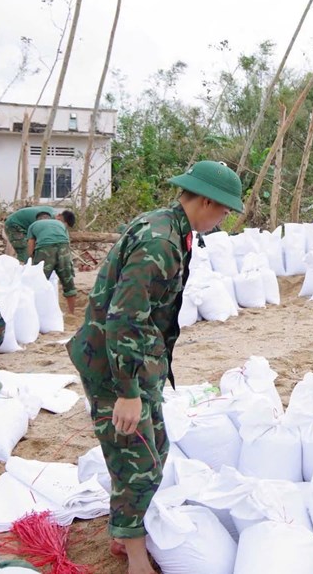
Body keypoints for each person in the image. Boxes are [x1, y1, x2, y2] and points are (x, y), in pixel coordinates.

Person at [68, 160, 243, 574]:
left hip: (131, 359)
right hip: (114, 365)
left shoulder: (171, 228)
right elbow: (124, 317)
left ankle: (123, 530)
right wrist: (128, 392)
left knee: (153, 447)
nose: (223, 219)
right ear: (204, 201)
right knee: (138, 458)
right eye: (223, 210)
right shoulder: (159, 242)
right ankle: (133, 554)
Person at [27, 210, 78, 314]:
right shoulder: (60, 223)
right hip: (64, 249)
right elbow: (67, 242)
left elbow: (30, 246)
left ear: (38, 219)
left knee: (39, 281)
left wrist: (31, 259)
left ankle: (39, 312)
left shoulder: (33, 225)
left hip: (45, 249)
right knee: (68, 282)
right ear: (49, 217)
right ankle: (71, 313)